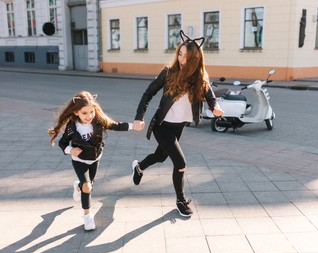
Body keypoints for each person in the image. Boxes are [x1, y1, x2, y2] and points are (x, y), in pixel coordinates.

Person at [131, 30, 224, 217]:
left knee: (160, 157)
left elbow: (209, 94)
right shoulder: (168, 73)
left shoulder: (199, 76)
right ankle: (180, 201)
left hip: (179, 126)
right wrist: (139, 116)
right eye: (180, 54)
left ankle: (139, 167)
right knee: (180, 163)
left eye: (186, 57)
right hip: (162, 125)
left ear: (195, 60)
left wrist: (215, 106)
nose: (181, 59)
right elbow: (148, 93)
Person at [48, 91, 132, 230]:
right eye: (84, 113)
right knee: (87, 187)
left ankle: (79, 186)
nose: (89, 116)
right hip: (79, 160)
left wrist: (133, 126)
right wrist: (70, 150)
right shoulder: (72, 126)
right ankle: (87, 217)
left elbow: (114, 125)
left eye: (91, 112)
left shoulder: (98, 121)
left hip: (94, 159)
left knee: (88, 186)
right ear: (76, 112)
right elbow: (63, 143)